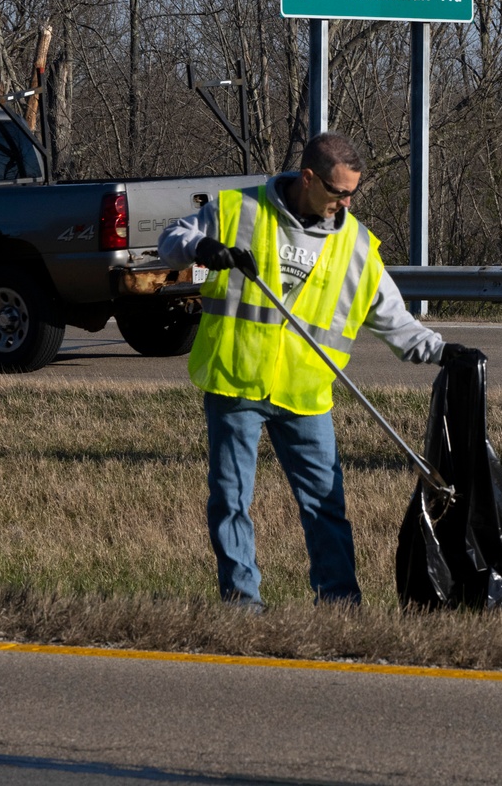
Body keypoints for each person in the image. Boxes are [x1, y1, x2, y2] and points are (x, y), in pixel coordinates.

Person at [157, 130, 473, 611]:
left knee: (326, 506)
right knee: (230, 500)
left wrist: (442, 350)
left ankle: (341, 604)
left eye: (352, 193)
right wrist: (203, 249)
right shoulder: (239, 210)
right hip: (235, 383)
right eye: (338, 191)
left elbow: (395, 321)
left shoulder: (357, 245)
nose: (346, 202)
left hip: (305, 396)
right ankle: (242, 604)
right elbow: (169, 240)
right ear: (308, 178)